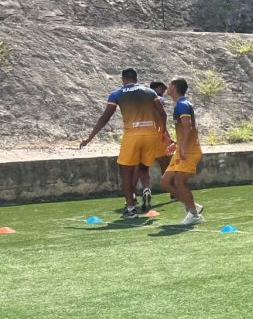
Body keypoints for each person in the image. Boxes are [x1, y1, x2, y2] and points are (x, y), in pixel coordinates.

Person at [81, 68, 168, 219]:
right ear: (136, 78)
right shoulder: (150, 92)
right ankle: (146, 188)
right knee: (143, 167)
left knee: (126, 172)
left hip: (132, 135)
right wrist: (162, 131)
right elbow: (162, 113)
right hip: (150, 134)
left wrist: (90, 137)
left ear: (123, 79)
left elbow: (106, 116)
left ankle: (130, 209)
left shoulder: (117, 93)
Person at [161, 78, 207, 226]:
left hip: (189, 151)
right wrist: (176, 144)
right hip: (184, 148)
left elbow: (188, 128)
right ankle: (193, 207)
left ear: (173, 87)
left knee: (179, 181)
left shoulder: (182, 105)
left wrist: (182, 148)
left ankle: (193, 214)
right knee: (165, 182)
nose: (167, 87)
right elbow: (185, 130)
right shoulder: (180, 105)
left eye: (169, 85)